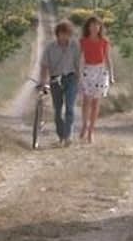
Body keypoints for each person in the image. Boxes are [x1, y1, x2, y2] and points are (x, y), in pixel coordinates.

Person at [39, 19, 80, 147]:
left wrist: (80, 78)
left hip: (71, 78)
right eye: (62, 33)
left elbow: (78, 63)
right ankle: (61, 136)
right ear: (58, 34)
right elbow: (44, 66)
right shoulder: (50, 48)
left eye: (67, 33)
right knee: (57, 111)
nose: (65, 36)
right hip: (55, 79)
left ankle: (68, 136)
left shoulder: (74, 46)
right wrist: (43, 82)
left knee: (70, 108)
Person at [79, 16, 115, 143]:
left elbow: (108, 58)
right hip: (88, 71)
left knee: (95, 102)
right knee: (86, 101)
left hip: (101, 71)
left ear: (100, 27)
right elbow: (80, 59)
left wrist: (111, 75)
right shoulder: (83, 41)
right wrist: (80, 73)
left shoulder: (104, 41)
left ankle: (91, 131)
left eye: (97, 25)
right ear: (88, 27)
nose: (94, 28)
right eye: (92, 25)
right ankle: (84, 124)